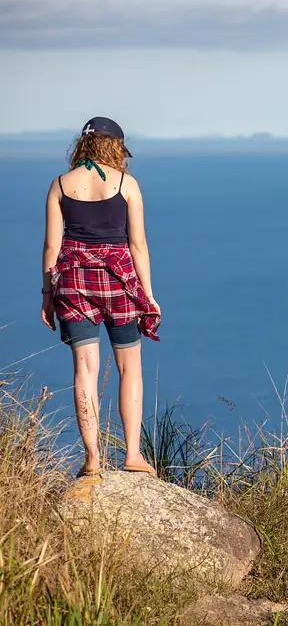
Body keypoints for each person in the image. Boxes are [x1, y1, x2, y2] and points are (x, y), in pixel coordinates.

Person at [40, 117, 161, 478]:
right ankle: (134, 456)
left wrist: (47, 295)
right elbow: (137, 244)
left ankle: (92, 459)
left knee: (85, 370)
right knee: (129, 367)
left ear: (83, 144)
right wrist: (148, 296)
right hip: (118, 280)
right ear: (117, 147)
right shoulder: (127, 184)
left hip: (74, 280)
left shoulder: (61, 184)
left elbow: (51, 246)